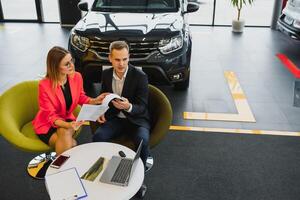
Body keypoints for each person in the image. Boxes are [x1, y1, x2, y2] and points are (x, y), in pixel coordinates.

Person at [32, 46, 104, 155]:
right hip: (47, 123)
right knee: (72, 144)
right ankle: (65, 168)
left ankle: (59, 170)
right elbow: (50, 116)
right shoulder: (44, 85)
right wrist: (69, 126)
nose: (72, 65)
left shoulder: (76, 77)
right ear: (56, 67)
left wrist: (94, 100)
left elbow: (80, 96)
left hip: (66, 118)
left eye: (71, 60)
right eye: (66, 64)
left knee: (65, 135)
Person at [93, 41, 150, 167]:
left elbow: (142, 106)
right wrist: (101, 111)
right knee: (98, 137)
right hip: (115, 118)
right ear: (110, 58)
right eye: (117, 59)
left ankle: (139, 175)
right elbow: (104, 98)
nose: (121, 64)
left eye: (125, 59)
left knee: (143, 141)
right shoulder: (106, 74)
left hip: (136, 120)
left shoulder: (140, 76)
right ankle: (103, 168)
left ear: (129, 57)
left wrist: (128, 107)